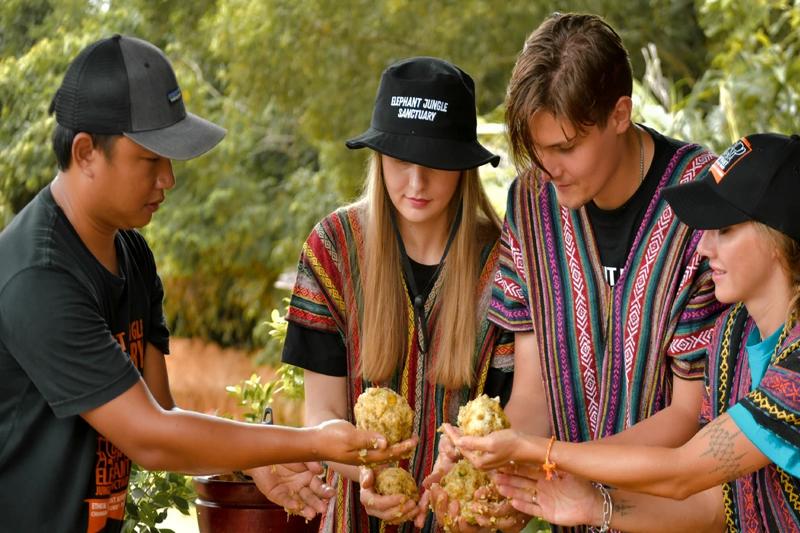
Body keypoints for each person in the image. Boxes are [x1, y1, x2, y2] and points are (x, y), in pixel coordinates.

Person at [0, 35, 413, 533]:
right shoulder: (39, 276)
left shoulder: (131, 252)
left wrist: (256, 459)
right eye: (151, 160)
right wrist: (310, 441)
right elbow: (150, 438)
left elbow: (163, 413)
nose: (169, 179)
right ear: (86, 152)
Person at [429, 12, 726, 530]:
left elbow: (689, 414)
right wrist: (493, 465)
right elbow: (533, 392)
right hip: (571, 513)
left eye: (565, 148)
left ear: (620, 114)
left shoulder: (702, 205)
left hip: (673, 516)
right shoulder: (530, 203)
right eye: (536, 150)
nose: (548, 168)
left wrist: (555, 460)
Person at [449, 132, 800, 532]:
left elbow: (684, 470)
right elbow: (710, 507)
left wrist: (534, 450)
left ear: (777, 236)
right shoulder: (729, 339)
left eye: (725, 229)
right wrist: (593, 505)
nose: (703, 247)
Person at [265, 56, 518, 532]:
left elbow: (517, 419)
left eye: (436, 163)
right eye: (401, 161)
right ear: (379, 156)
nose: (416, 183)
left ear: (464, 166)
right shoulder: (332, 249)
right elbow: (321, 415)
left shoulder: (507, 263)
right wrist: (366, 473)